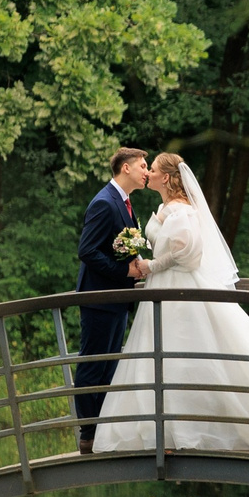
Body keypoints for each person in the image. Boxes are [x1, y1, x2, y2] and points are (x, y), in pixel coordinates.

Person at [93, 153, 249, 461]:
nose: (149, 173)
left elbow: (190, 254)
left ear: (168, 177)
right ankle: (167, 429)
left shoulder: (184, 212)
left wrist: (151, 266)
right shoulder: (163, 209)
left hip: (180, 288)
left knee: (192, 352)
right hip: (161, 289)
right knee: (163, 355)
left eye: (154, 169)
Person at [73, 146, 152, 454]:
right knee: (93, 365)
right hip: (99, 298)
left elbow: (120, 248)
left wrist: (137, 266)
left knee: (109, 367)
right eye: (143, 165)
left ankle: (103, 431)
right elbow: (87, 251)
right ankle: (88, 433)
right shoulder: (104, 203)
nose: (147, 171)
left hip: (117, 299)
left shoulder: (125, 203)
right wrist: (124, 271)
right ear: (126, 168)